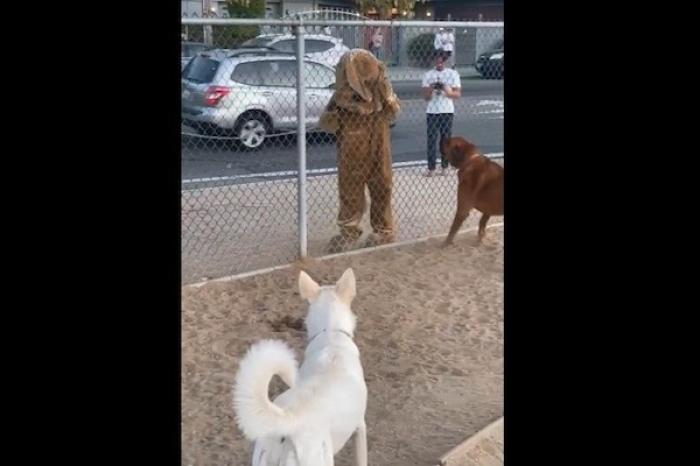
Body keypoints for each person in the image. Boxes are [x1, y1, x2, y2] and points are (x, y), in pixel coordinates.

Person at [421, 52, 461, 176]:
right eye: (436, 62)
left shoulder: (452, 74)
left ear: (445, 61)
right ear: (433, 61)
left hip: (447, 111)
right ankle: (431, 168)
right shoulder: (428, 75)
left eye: (441, 62)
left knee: (446, 140)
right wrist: (431, 88)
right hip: (432, 111)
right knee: (431, 140)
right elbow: (426, 97)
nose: (439, 64)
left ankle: (445, 166)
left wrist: (447, 90)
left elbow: (457, 94)